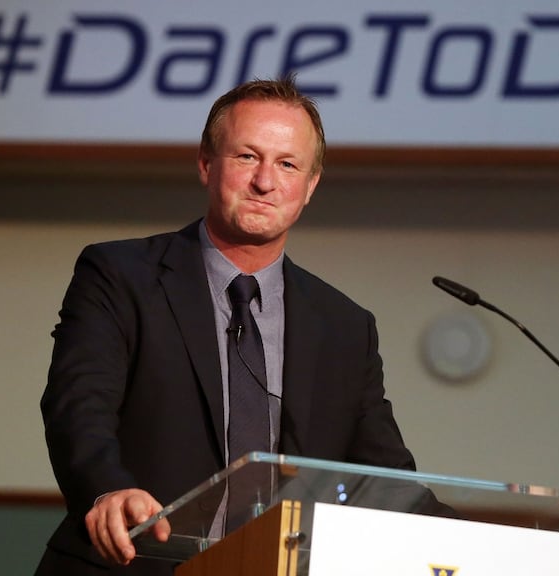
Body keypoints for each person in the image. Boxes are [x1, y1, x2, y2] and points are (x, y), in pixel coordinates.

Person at [36, 76, 418, 575]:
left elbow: (385, 474)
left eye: (287, 164)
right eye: (246, 157)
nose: (265, 181)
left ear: (310, 187)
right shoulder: (120, 275)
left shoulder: (345, 326)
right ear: (205, 164)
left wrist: (486, 546)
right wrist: (107, 488)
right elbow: (78, 405)